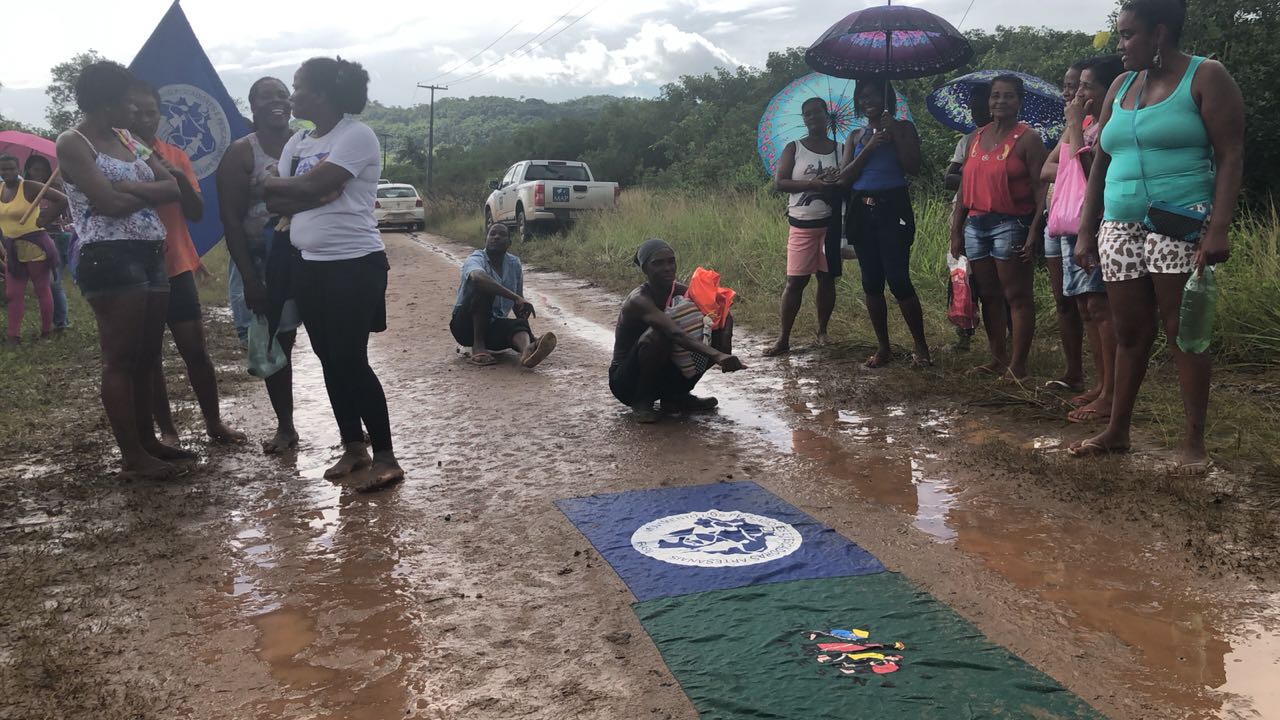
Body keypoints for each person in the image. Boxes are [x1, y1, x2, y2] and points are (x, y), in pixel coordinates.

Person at [1070, 0, 1244, 470]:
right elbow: (1102, 161)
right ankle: (1117, 431)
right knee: (1129, 331)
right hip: (1118, 224)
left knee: (1182, 331)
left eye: (1128, 34)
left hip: (1180, 219)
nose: (1121, 44)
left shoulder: (1206, 76)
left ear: (1160, 33)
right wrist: (1087, 228)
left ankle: (1193, 443)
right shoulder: (1122, 85)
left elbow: (1230, 154)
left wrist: (1219, 227)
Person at [264, 56, 403, 490]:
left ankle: (386, 455)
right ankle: (354, 447)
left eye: (298, 86)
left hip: (355, 265)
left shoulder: (356, 135)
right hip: (308, 266)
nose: (292, 95)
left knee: (350, 358)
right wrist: (305, 191)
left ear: (322, 93)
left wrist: (285, 186)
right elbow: (275, 201)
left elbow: (302, 186)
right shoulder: (298, 142)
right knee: (327, 357)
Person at [55, 60, 192, 480]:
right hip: (110, 256)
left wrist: (129, 187)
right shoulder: (73, 143)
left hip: (151, 251)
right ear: (107, 103)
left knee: (148, 356)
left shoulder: (127, 139)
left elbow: (173, 186)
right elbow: (107, 205)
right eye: (129, 104)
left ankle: (149, 443)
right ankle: (133, 456)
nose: (136, 111)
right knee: (121, 358)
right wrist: (143, 193)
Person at [127, 81, 245, 447]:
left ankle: (214, 422)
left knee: (195, 350)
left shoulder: (175, 155)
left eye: (151, 112)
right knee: (149, 357)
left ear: (160, 114)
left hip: (175, 266)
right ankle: (168, 431)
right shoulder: (115, 158)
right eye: (136, 112)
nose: (144, 119)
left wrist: (175, 176)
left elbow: (195, 212)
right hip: (133, 271)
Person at [220, 76, 304, 454]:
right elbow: (231, 220)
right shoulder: (241, 153)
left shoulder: (306, 143)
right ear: (252, 105)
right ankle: (285, 427)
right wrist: (250, 280)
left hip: (308, 255)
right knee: (276, 344)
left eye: (282, 95)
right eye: (267, 96)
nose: (277, 101)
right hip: (262, 261)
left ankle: (349, 426)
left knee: (329, 341)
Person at [1042, 55, 1126, 424]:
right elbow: (1046, 168)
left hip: (1097, 223)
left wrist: (1074, 127)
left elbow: (1092, 173)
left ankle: (1112, 392)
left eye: (1087, 86)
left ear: (1111, 90)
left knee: (1101, 308)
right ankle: (1101, 384)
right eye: (1078, 86)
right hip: (1074, 224)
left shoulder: (1110, 125)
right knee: (1087, 308)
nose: (1079, 93)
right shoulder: (1088, 124)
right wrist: (1076, 131)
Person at [949, 75, 1049, 382]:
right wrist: (956, 229)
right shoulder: (976, 138)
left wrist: (1034, 230)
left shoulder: (1029, 139)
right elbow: (964, 188)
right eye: (995, 96)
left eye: (1008, 96)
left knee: (1017, 295)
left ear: (1019, 101)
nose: (1000, 101)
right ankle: (997, 358)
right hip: (976, 223)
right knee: (988, 294)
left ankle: (1018, 366)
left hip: (1012, 223)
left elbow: (1041, 188)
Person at [839, 79, 929, 368]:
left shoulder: (903, 128)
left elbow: (913, 167)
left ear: (886, 97)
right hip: (862, 210)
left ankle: (921, 347)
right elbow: (844, 178)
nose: (867, 100)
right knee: (871, 282)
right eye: (862, 96)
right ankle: (883, 348)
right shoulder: (855, 136)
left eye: (873, 94)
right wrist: (869, 147)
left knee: (899, 279)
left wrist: (895, 135)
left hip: (893, 209)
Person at [610, 238, 746, 423]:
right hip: (627, 382)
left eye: (671, 261)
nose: (667, 268)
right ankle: (642, 401)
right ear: (645, 269)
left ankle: (676, 395)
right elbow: (674, 332)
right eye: (658, 263)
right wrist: (717, 355)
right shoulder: (638, 299)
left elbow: (721, 310)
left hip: (661, 371)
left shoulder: (680, 290)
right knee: (657, 336)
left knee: (711, 326)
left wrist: (725, 339)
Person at [763, 97, 842, 357]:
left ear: (826, 115)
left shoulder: (840, 149)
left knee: (827, 278)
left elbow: (848, 182)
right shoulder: (794, 148)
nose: (812, 117)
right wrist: (813, 184)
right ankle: (784, 338)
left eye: (816, 112)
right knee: (796, 281)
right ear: (803, 119)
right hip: (802, 224)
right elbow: (780, 182)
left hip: (831, 225)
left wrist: (835, 183)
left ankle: (823, 331)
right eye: (807, 114)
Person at [1042, 61, 1091, 393]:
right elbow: (1045, 169)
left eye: (1075, 86)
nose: (1068, 92)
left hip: (1080, 222)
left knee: (1089, 304)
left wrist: (1068, 161)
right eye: (1067, 85)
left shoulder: (1093, 124)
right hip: (1057, 221)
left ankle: (1099, 382)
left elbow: (1087, 168)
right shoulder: (1074, 125)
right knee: (1064, 299)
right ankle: (1073, 371)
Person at [451, 222, 557, 367]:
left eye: (502, 235)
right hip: (465, 327)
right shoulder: (475, 258)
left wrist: (524, 324)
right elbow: (477, 278)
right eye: (492, 234)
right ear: (486, 239)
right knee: (484, 288)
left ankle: (527, 351)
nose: (496, 237)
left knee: (518, 325)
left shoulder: (514, 264)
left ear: (509, 243)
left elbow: (518, 302)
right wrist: (515, 298)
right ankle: (478, 347)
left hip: (493, 326)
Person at [943, 83, 992, 353]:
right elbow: (949, 178)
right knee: (962, 274)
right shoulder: (967, 140)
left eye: (980, 104)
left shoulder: (1016, 138)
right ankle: (963, 334)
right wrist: (976, 173)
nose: (975, 111)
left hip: (996, 214)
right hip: (964, 213)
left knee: (995, 279)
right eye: (972, 106)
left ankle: (1005, 337)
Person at [1, 153, 66, 344]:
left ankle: (47, 331)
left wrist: (45, 218)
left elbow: (62, 200)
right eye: (3, 169)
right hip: (12, 246)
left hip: (35, 244)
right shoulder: (1, 189)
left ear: (19, 170)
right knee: (13, 293)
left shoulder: (29, 186)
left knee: (41, 288)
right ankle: (14, 336)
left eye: (11, 168)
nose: (7, 172)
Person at [22, 154, 71, 331]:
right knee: (42, 283)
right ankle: (52, 321)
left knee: (53, 281)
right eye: (36, 170)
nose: (40, 173)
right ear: (28, 170)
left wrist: (49, 214)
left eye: (43, 170)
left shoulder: (54, 190)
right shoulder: (24, 190)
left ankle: (61, 322)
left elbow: (64, 211)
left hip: (54, 237)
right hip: (32, 239)